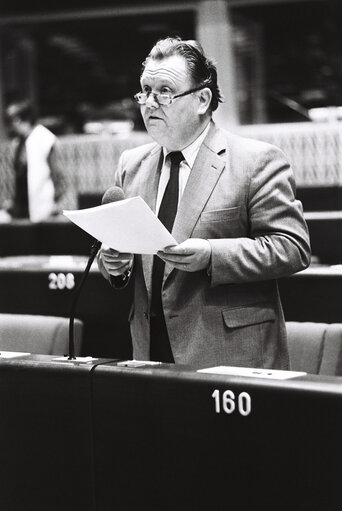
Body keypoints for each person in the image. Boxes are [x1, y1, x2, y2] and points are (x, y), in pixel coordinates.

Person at [97, 36, 311, 369]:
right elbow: (119, 259)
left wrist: (213, 255)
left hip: (229, 354)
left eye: (165, 91)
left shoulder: (256, 161)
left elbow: (292, 248)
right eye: (145, 90)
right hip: (150, 352)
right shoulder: (131, 165)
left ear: (202, 99)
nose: (150, 103)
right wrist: (115, 265)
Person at [4, 100, 59, 222]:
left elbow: (57, 175)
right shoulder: (18, 143)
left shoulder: (45, 138)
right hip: (23, 207)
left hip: (43, 205)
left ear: (18, 120)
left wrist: (57, 203)